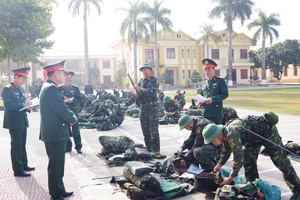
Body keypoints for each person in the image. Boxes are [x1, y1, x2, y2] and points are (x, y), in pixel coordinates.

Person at [203, 113, 300, 199]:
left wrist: (230, 179)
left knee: (281, 162)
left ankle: (297, 190)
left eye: (212, 140)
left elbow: (238, 158)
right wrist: (219, 165)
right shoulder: (224, 135)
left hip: (268, 133)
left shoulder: (231, 133)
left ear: (217, 135)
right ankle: (253, 189)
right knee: (248, 163)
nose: (213, 143)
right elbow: (226, 151)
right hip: (252, 140)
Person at [39, 60, 77, 200]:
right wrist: (72, 118)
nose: (65, 75)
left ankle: (59, 189)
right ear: (56, 73)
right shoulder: (50, 89)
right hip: (55, 133)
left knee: (58, 164)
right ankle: (55, 195)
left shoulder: (50, 87)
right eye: (62, 73)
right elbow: (61, 109)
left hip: (54, 131)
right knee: (55, 166)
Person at [1, 67, 35, 177]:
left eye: (25, 78)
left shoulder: (20, 89)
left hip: (22, 120)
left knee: (22, 143)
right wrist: (23, 105)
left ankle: (24, 164)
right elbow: (8, 105)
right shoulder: (7, 89)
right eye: (22, 78)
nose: (24, 80)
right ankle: (17, 169)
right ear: (16, 77)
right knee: (16, 145)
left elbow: (23, 103)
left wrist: (28, 106)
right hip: (14, 121)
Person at [132, 62, 166, 159]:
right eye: (143, 69)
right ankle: (149, 148)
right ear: (141, 71)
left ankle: (156, 150)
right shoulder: (140, 82)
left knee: (153, 129)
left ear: (150, 70)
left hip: (152, 107)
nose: (145, 71)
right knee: (145, 129)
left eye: (147, 69)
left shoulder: (153, 80)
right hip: (143, 107)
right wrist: (136, 94)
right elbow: (139, 96)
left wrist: (141, 89)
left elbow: (152, 92)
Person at [59, 71, 83, 154]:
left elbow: (79, 99)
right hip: (64, 111)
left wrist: (72, 101)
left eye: (69, 80)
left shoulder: (75, 88)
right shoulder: (59, 89)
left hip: (73, 110)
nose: (68, 82)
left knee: (75, 129)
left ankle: (78, 147)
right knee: (66, 129)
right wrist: (64, 101)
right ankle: (68, 146)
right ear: (64, 80)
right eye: (66, 80)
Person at [199, 58, 228, 124]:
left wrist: (213, 99)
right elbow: (201, 95)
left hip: (216, 113)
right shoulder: (203, 83)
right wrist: (199, 101)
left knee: (216, 133)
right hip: (205, 113)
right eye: (205, 70)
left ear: (214, 69)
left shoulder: (220, 81)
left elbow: (225, 94)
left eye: (208, 70)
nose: (206, 72)